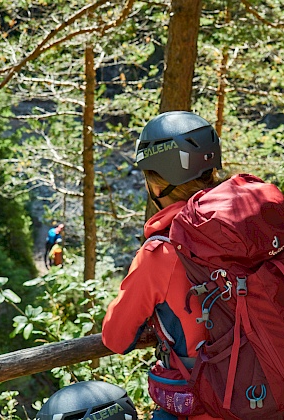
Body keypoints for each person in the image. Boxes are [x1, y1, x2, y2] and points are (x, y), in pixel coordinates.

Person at [102, 111, 223, 420]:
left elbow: (116, 338)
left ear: (158, 184)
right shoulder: (248, 223)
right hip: (269, 388)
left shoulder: (161, 253)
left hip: (209, 403)